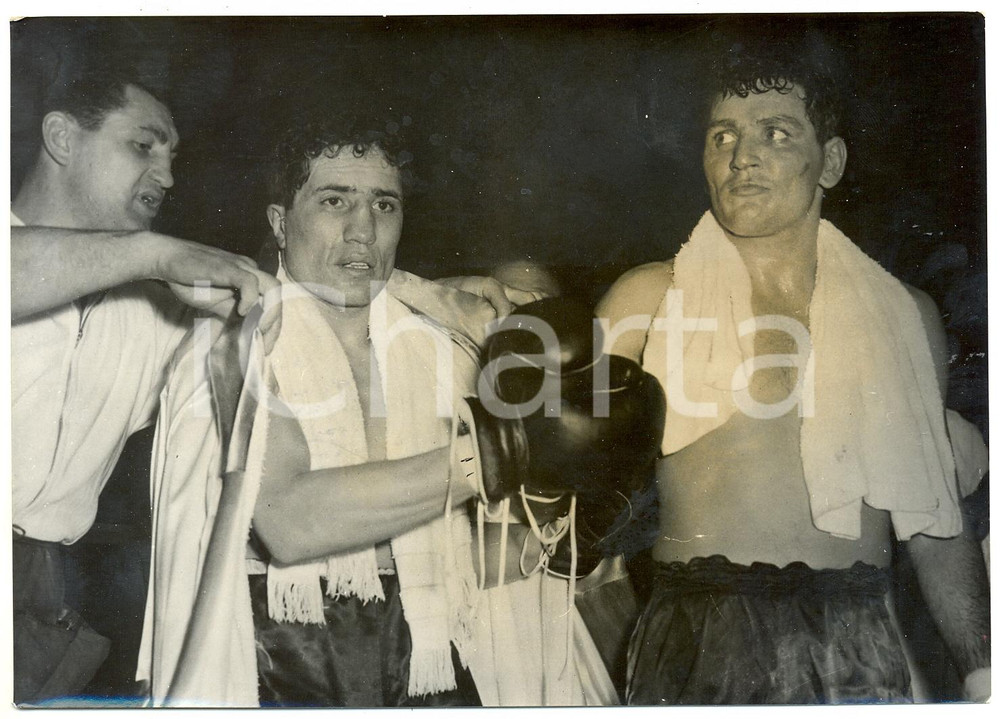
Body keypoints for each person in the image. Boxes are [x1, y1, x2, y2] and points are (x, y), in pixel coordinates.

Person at [137, 108, 620, 707]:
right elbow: (288, 523)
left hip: (429, 657)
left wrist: (560, 534)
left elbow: (451, 557)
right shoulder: (235, 341)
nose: (363, 230)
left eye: (384, 205)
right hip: (282, 662)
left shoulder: (444, 350)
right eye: (335, 202)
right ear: (281, 224)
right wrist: (499, 454)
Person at [596, 40, 990, 704]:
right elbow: (573, 509)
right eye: (723, 137)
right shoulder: (645, 300)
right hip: (697, 634)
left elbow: (933, 520)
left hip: (856, 637)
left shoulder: (906, 317)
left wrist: (983, 671)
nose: (741, 155)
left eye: (774, 133)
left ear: (829, 162)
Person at [10, 68, 281, 706]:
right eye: (144, 146)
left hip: (41, 601)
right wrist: (155, 254)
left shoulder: (151, 310)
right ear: (61, 137)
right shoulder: (144, 264)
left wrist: (426, 294)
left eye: (172, 157)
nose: (167, 175)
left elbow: (279, 303)